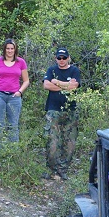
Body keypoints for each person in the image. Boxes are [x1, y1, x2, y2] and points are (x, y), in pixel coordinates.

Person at [43, 47, 81, 180]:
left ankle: (63, 170)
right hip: (53, 110)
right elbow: (46, 85)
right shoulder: (51, 70)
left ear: (68, 58)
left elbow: (73, 87)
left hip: (70, 110)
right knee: (52, 141)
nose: (62, 60)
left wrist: (57, 82)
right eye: (59, 58)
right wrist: (66, 85)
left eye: (64, 58)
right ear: (56, 58)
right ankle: (52, 170)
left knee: (69, 142)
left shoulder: (74, 70)